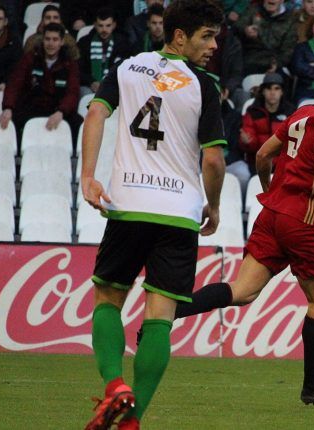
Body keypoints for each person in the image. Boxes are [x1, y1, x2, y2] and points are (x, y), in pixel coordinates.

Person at [169, 58, 314, 405]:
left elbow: (263, 154)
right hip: (303, 223)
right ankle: (313, 387)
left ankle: (169, 310)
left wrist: (272, 191)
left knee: (243, 291)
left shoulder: (305, 113)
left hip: (272, 215)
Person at [80, 1, 226, 429]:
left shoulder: (127, 68)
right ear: (179, 36)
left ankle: (114, 387)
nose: (214, 46)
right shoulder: (204, 84)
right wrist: (213, 204)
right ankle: (132, 418)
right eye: (207, 36)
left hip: (128, 207)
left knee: (108, 299)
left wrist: (88, 176)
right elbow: (214, 161)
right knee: (159, 317)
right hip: (179, 214)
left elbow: (95, 113)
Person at [0, 22, 81, 150]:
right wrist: (8, 107)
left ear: (62, 42)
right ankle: (19, 156)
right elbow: (14, 84)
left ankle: (73, 158)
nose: (50, 43)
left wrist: (61, 111)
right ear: (42, 40)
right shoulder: (30, 58)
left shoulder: (70, 63)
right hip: (32, 106)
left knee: (78, 123)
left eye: (55, 39)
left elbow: (73, 92)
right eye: (47, 39)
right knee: (11, 121)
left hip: (57, 108)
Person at [240, 72, 296, 174]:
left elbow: (294, 144)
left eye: (276, 88)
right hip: (258, 165)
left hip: (284, 166)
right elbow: (251, 146)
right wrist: (248, 142)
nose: (272, 92)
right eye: (268, 89)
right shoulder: (253, 112)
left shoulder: (291, 113)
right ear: (263, 91)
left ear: (282, 92)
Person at [234, 0, 298, 75]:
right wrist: (245, 30)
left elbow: (288, 49)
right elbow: (237, 27)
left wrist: (277, 64)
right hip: (248, 60)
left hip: (273, 63)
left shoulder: (289, 19)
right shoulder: (253, 10)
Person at [78, 7, 131, 95]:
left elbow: (126, 68)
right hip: (89, 86)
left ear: (114, 25)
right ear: (95, 25)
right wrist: (91, 82)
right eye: (100, 25)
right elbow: (79, 69)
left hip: (114, 84)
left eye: (108, 25)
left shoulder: (123, 43)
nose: (104, 30)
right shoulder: (84, 43)